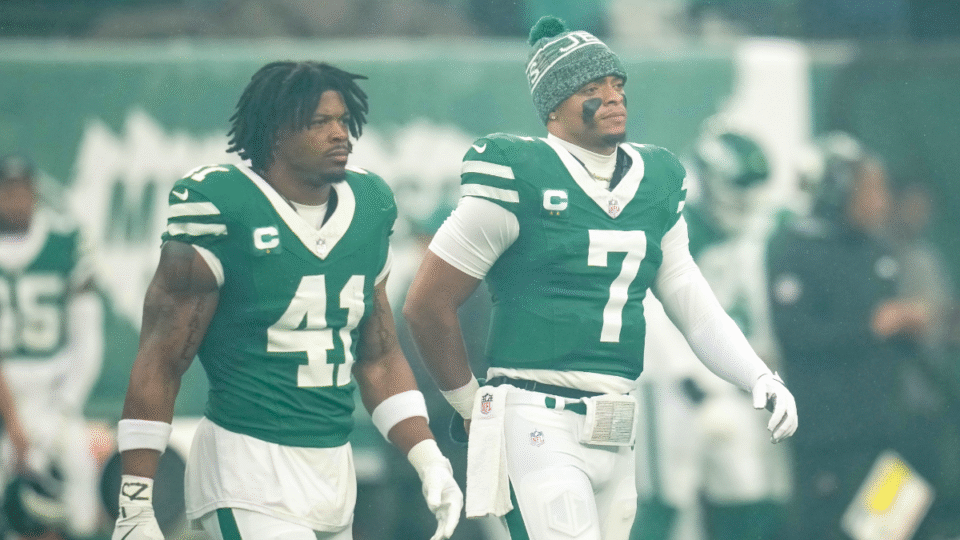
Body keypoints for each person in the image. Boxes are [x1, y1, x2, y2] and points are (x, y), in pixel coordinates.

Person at [402, 17, 798, 540]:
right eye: (592, 89)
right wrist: (467, 403)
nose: (613, 98)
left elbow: (692, 305)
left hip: (616, 419)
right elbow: (426, 304)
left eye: (617, 85)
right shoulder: (518, 172)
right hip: (536, 415)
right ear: (553, 107)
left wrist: (756, 376)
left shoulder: (655, 180)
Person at [110, 61, 462, 540]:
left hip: (333, 475)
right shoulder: (222, 207)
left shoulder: (370, 206)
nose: (340, 134)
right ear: (274, 133)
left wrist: (428, 458)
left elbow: (377, 357)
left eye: (343, 120)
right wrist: (135, 501)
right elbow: (161, 358)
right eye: (319, 122)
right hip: (246, 469)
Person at [634, 126, 791, 540]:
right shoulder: (665, 220)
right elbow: (647, 311)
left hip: (730, 382)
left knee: (747, 492)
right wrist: (688, 373)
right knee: (664, 498)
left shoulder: (755, 233)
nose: (746, 199)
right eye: (738, 187)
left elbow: (749, 310)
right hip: (670, 381)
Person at [767, 132, 925, 540]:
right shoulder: (797, 249)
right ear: (837, 191)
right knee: (830, 532)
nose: (882, 202)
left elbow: (887, 330)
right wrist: (869, 327)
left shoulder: (877, 250)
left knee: (885, 532)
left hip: (884, 428)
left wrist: (908, 324)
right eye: (870, 190)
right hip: (829, 434)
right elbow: (795, 336)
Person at [0, 153, 104, 538]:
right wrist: (15, 427)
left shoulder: (66, 242)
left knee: (80, 471)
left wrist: (65, 404)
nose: (14, 200)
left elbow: (88, 337)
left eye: (21, 190)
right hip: (6, 397)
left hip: (55, 390)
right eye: (6, 191)